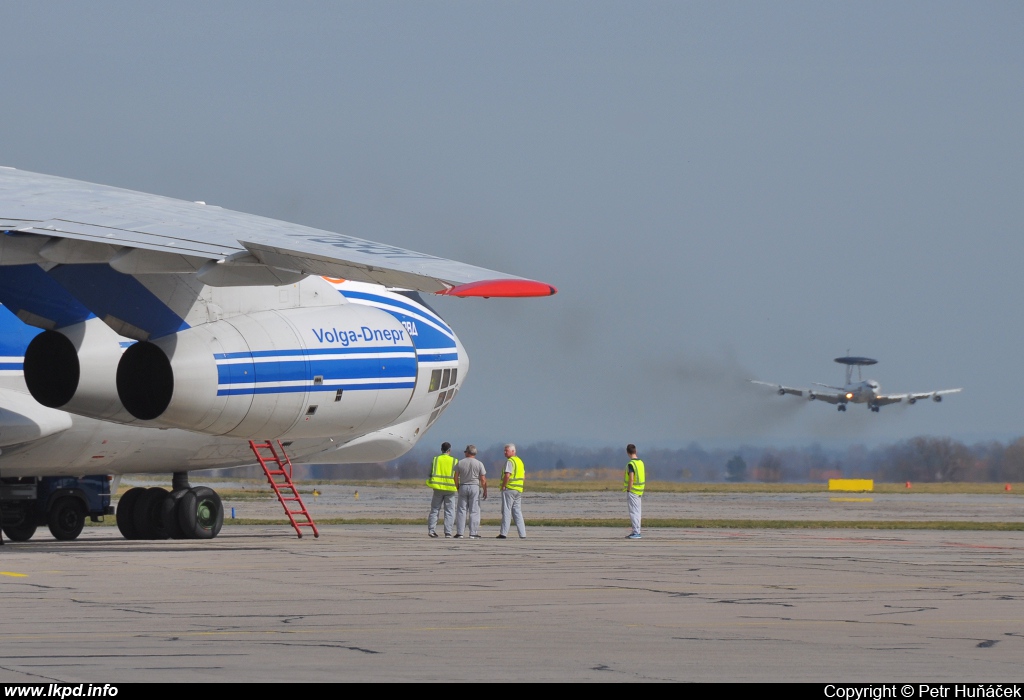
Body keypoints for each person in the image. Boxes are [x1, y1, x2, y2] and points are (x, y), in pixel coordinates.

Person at [453, 445, 487, 539]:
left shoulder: (460, 462)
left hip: (463, 486)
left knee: (461, 510)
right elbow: (483, 479)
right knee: (474, 510)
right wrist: (485, 490)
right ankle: (473, 532)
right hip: (474, 487)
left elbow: (455, 477)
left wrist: (458, 487)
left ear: (467, 452)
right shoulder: (479, 463)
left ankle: (460, 533)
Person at [426, 442, 458, 538]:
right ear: (449, 450)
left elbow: (430, 473)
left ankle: (431, 530)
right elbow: (457, 475)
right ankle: (448, 532)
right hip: (450, 488)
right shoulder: (454, 460)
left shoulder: (436, 459)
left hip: (438, 488)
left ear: (441, 449)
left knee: (435, 509)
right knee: (450, 511)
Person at [497, 443, 526, 539]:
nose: (505, 452)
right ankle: (522, 534)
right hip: (518, 489)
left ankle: (503, 533)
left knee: (506, 510)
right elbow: (524, 476)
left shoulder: (510, 461)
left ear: (513, 451)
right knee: (517, 511)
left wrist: (504, 486)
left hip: (509, 489)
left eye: (507, 450)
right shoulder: (520, 461)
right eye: (504, 450)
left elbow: (507, 475)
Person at [624, 443, 645, 539]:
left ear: (628, 452)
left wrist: (628, 490)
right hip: (640, 490)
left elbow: (631, 479)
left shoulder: (631, 464)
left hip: (633, 491)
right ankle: (637, 530)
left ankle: (636, 532)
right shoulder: (641, 462)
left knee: (633, 512)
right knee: (638, 512)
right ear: (635, 451)